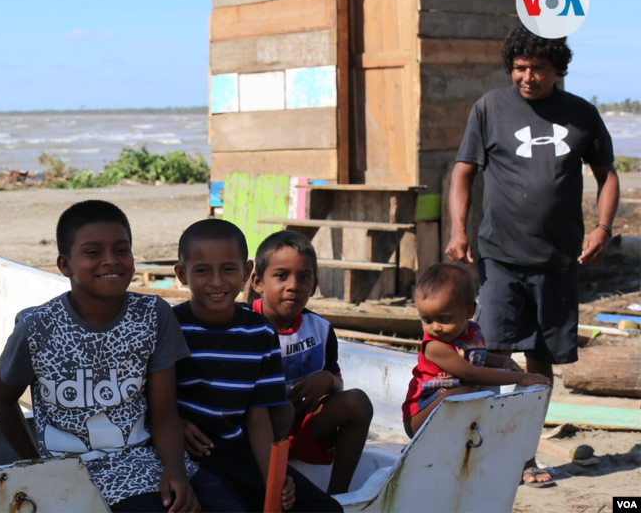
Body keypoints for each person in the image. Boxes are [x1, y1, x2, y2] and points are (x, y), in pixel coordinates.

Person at [446, 25, 618, 486]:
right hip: (500, 255)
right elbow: (464, 172)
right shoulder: (490, 108)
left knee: (541, 361)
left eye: (538, 68)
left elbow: (607, 175)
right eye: (519, 68)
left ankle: (525, 456)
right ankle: (478, 451)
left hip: (559, 261)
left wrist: (603, 227)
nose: (527, 77)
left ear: (557, 70)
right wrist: (458, 230)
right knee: (491, 352)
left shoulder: (582, 114)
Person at [0, 200, 234, 513]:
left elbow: (163, 413)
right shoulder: (38, 327)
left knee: (224, 504)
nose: (111, 261)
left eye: (121, 250)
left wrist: (175, 471)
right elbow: (1, 400)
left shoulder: (152, 315)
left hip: (149, 459)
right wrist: (36, 467)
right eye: (93, 252)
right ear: (66, 265)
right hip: (79, 472)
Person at [172, 219, 342, 513]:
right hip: (187, 457)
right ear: (181, 274)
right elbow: (147, 400)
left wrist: (273, 480)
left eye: (228, 269)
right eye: (202, 270)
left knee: (326, 509)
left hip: (240, 453)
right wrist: (177, 424)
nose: (216, 281)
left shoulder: (259, 332)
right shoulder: (170, 327)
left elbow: (258, 415)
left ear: (247, 272)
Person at [251, 231, 373, 496]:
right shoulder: (244, 326)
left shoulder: (320, 329)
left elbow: (337, 381)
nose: (294, 285)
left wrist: (329, 379)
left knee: (358, 402)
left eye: (304, 277)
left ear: (315, 285)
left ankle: (338, 495)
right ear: (258, 282)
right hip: (254, 430)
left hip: (304, 425)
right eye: (281, 276)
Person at [402, 265, 551, 461]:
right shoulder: (434, 347)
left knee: (474, 396)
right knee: (469, 393)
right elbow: (471, 373)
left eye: (444, 319)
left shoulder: (473, 330)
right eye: (426, 319)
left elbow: (475, 356)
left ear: (469, 311)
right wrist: (523, 377)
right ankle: (421, 444)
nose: (435, 327)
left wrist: (502, 360)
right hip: (420, 417)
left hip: (450, 410)